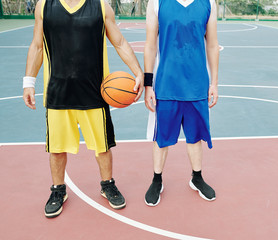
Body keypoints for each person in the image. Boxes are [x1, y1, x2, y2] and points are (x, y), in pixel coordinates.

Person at [23, 0, 144, 218]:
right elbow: (37, 45)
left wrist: (138, 72)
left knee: (103, 147)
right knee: (57, 149)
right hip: (58, 92)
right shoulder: (44, 6)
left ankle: (107, 185)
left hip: (94, 92)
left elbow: (120, 42)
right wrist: (28, 82)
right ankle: (58, 190)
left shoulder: (100, 6)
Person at [143, 0, 219, 206]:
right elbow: (150, 46)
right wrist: (148, 85)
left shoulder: (209, 3)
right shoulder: (157, 3)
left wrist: (214, 83)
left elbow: (212, 45)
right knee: (161, 137)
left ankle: (197, 177)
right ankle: (157, 180)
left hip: (197, 84)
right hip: (166, 83)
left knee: (195, 137)